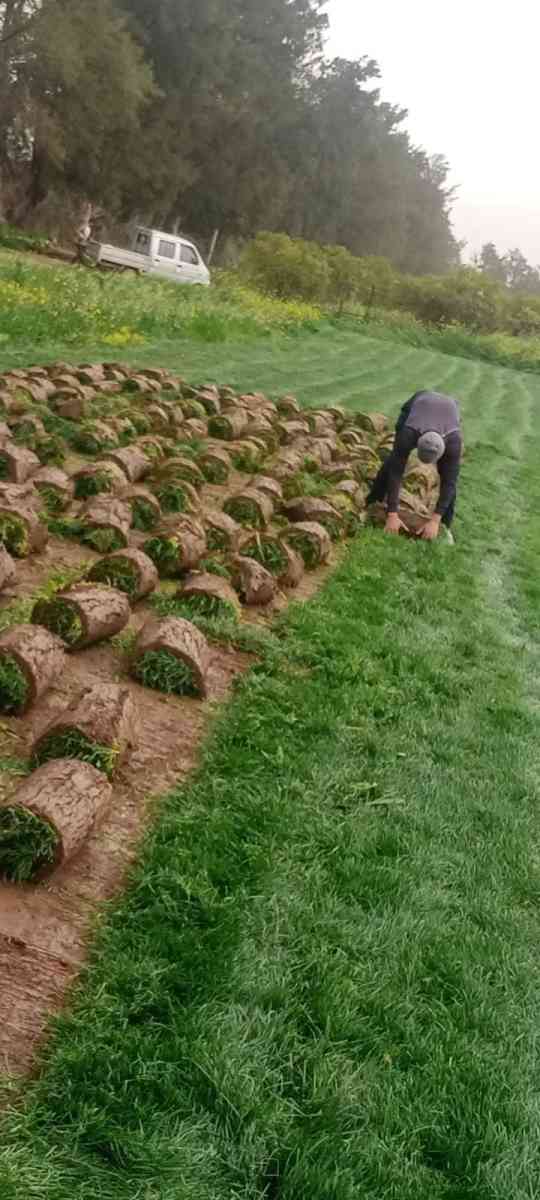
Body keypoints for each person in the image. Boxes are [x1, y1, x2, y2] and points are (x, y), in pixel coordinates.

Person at [367, 390, 462, 542]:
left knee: (449, 476)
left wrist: (435, 520)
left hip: (450, 411)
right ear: (417, 442)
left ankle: (445, 526)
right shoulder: (408, 433)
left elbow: (450, 483)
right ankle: (372, 500)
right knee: (393, 461)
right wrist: (392, 514)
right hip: (418, 404)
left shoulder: (454, 443)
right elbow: (396, 472)